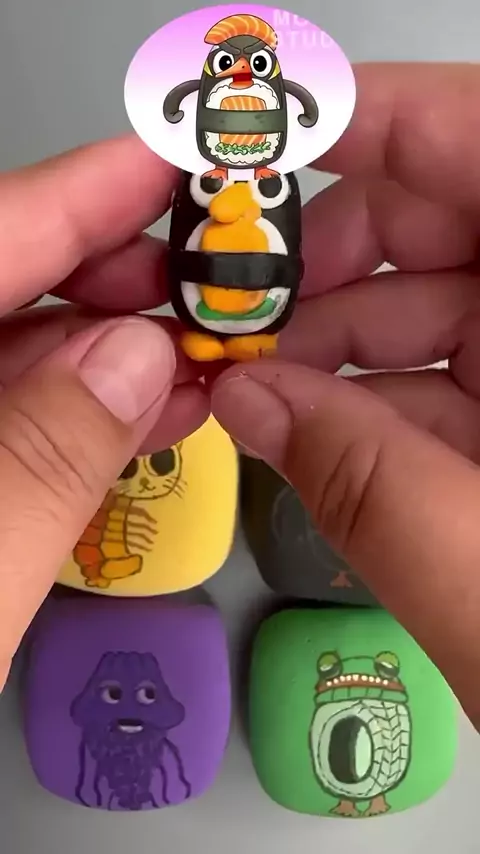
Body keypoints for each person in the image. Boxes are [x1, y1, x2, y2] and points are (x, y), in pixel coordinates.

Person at [0, 61, 479, 731]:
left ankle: (231, 340)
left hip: (255, 304)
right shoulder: (211, 186)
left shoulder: (267, 187)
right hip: (208, 308)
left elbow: (280, 252)